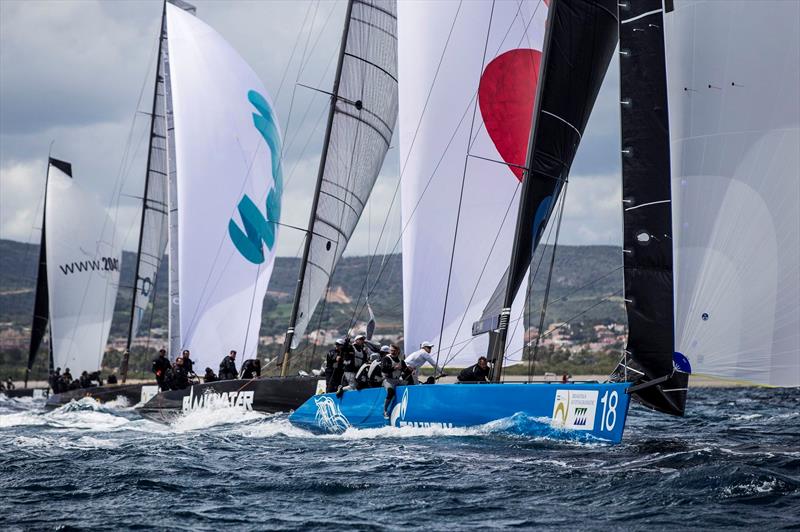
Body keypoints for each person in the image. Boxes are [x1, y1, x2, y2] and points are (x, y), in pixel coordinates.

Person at [380, 344, 407, 419]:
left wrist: (411, 371)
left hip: (398, 380)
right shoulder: (386, 359)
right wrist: (394, 368)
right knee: (390, 392)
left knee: (409, 385)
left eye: (394, 351)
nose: (393, 352)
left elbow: (406, 370)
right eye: (391, 350)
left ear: (398, 351)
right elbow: (383, 369)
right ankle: (385, 410)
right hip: (388, 379)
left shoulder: (401, 361)